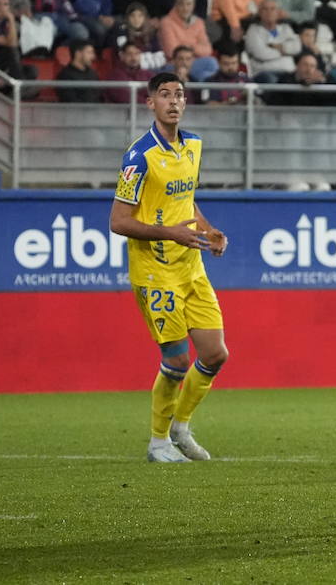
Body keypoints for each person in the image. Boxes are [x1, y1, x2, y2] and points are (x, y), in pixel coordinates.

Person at [109, 70, 229, 462]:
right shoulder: (138, 156)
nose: (174, 101)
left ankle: (180, 427)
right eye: (165, 95)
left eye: (179, 94)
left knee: (215, 354)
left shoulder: (193, 146)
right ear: (151, 103)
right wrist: (167, 233)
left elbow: (188, 202)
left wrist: (208, 232)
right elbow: (118, 221)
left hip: (191, 266)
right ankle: (158, 441)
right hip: (155, 272)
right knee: (176, 359)